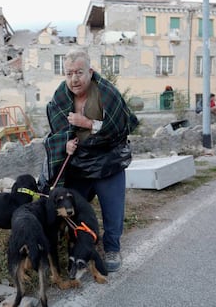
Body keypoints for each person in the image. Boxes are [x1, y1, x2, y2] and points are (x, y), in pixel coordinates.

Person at [42, 48, 139, 272]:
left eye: (79, 72)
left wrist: (86, 123)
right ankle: (77, 245)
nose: (74, 79)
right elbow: (57, 134)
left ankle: (112, 248)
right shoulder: (59, 98)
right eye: (69, 73)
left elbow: (119, 127)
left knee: (112, 209)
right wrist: (64, 144)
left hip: (108, 162)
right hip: (79, 165)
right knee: (72, 208)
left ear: (90, 71)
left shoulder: (107, 93)